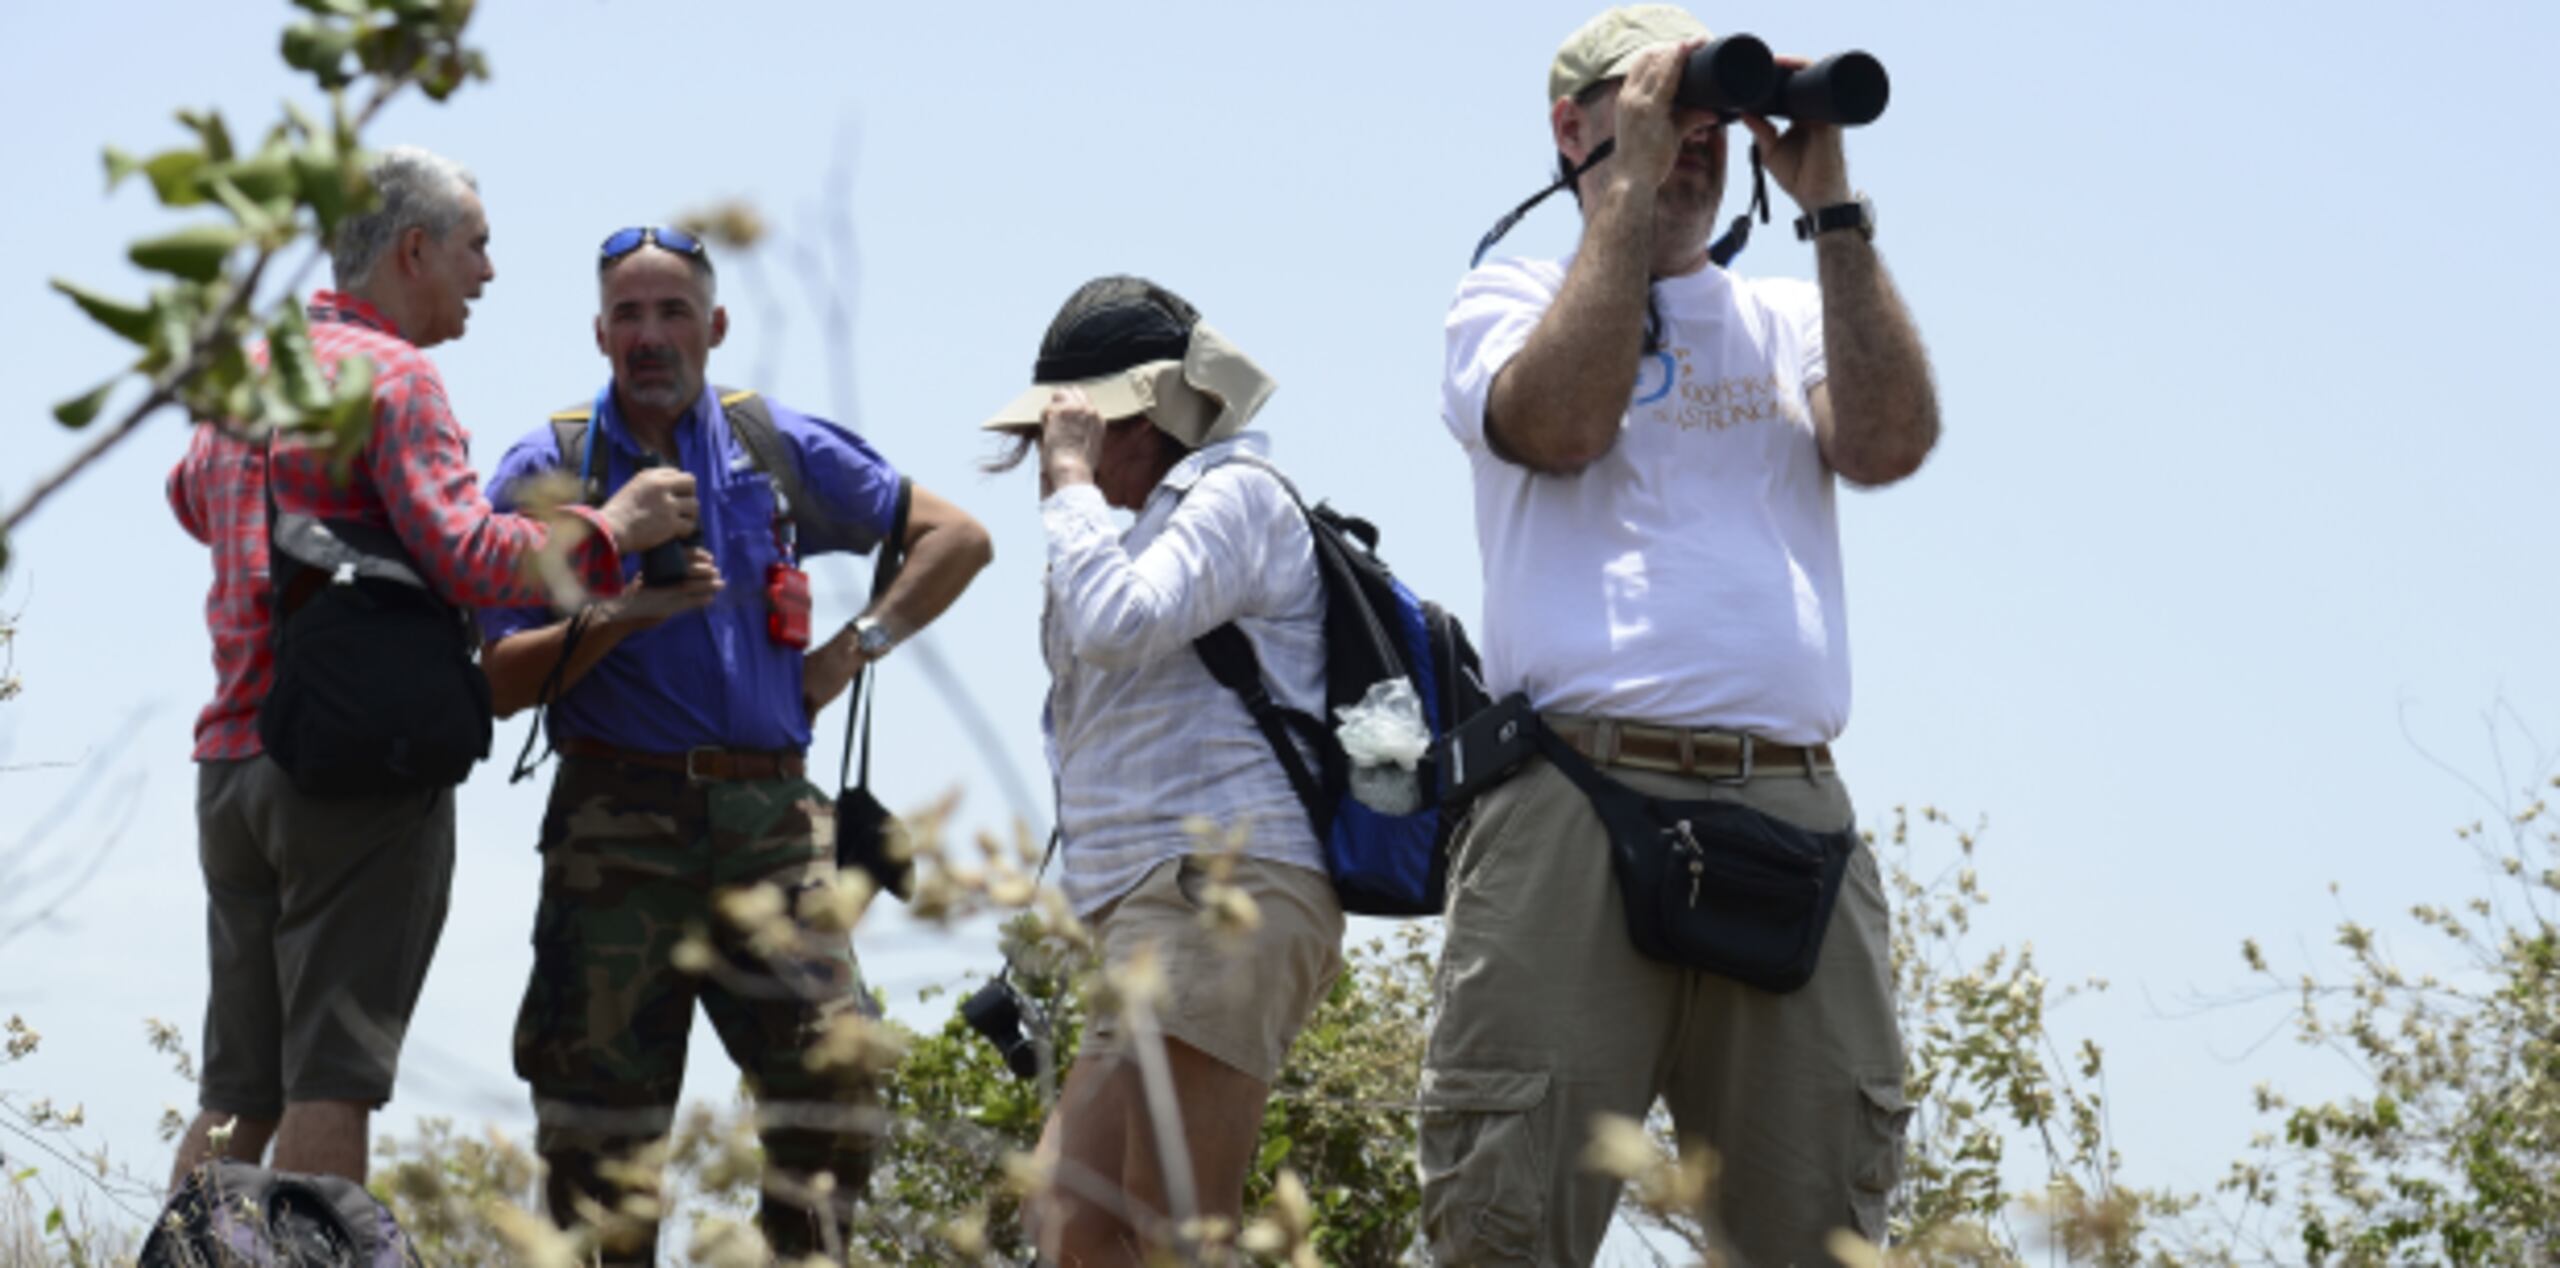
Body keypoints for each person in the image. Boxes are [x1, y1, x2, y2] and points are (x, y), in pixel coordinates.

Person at [1423, 6, 1942, 1264]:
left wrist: (1829, 207)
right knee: (1507, 1228)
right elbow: (1561, 425)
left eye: (1716, 114)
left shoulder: (1788, 313)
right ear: (1571, 127)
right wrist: (1628, 192)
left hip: (1789, 813)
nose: (1699, 136)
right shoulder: (1506, 297)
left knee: (1818, 1236)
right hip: (1575, 807)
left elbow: (1886, 442)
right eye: (1664, 103)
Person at [164, 147, 698, 1191]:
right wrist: (613, 524)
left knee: (237, 1090)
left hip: (231, 765)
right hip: (346, 777)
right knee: (333, 1075)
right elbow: (468, 553)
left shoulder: (243, 370)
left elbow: (189, 498)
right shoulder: (398, 377)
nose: (487, 273)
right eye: (475, 246)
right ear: (414, 249)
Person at [476, 224, 991, 1262]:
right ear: (598, 332)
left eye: (672, 312)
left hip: (773, 822)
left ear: (714, 326)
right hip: (612, 827)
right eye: (629, 314)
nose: (650, 335)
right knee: (598, 1143)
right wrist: (624, 607)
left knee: (838, 1092)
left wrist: (851, 651)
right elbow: (496, 681)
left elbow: (956, 535)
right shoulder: (551, 466)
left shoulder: (769, 443)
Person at [980, 276, 1345, 1266]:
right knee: (1073, 1221)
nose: (1079, 456)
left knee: (1174, 1220)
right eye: (1065, 436)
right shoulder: (1124, 526)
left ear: (1173, 413)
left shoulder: (1236, 494)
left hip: (1224, 878)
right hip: (1143, 901)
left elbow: (1117, 623)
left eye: (1100, 431)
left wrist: (1068, 486)